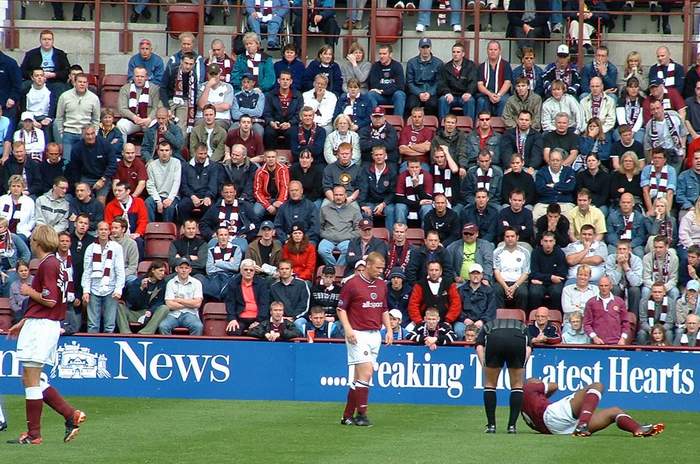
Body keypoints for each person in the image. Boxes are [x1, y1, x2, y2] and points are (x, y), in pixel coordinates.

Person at [6, 224, 86, 445]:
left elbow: (49, 300)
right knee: (30, 378)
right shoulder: (57, 264)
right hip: (42, 323)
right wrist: (24, 321)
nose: (30, 243)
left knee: (31, 380)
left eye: (32, 240)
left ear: (37, 242)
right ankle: (70, 415)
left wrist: (29, 290)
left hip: (42, 326)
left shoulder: (47, 265)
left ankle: (34, 434)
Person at [338, 252, 392, 427]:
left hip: (375, 334)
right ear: (368, 265)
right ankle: (362, 415)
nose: (380, 271)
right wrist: (348, 329)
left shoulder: (382, 285)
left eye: (382, 268)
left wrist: (389, 329)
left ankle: (347, 416)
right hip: (357, 333)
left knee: (358, 378)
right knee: (367, 373)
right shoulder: (351, 284)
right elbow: (341, 308)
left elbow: (384, 308)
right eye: (377, 267)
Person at [520, 379, 665, 437]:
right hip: (552, 416)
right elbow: (554, 385)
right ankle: (582, 425)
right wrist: (542, 387)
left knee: (614, 411)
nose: (537, 380)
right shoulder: (529, 386)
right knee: (597, 386)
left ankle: (638, 429)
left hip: (556, 430)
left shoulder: (523, 409)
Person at [475, 317, 532, 434]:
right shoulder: (522, 326)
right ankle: (512, 426)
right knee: (517, 385)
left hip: (495, 341)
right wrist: (523, 364)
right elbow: (528, 347)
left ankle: (491, 426)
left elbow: (479, 346)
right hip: (517, 341)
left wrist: (484, 365)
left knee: (490, 384)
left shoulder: (489, 325)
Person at [82, 221, 125, 334]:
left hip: (110, 288)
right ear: (97, 231)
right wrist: (86, 291)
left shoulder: (116, 248)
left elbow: (120, 270)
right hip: (94, 288)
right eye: (101, 229)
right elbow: (87, 271)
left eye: (106, 229)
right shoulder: (90, 248)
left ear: (109, 231)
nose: (103, 232)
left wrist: (118, 289)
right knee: (92, 324)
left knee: (110, 325)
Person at [54, 73, 100, 163]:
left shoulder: (94, 98)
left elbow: (96, 120)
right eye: (80, 82)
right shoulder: (64, 96)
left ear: (87, 84)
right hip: (68, 134)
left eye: (84, 82)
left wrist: (94, 134)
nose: (82, 84)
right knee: (66, 163)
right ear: (74, 82)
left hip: (86, 135)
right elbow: (59, 118)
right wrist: (61, 133)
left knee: (85, 162)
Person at [116, 260, 170, 335]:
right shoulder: (138, 281)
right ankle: (125, 333)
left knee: (165, 308)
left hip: (151, 315)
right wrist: (141, 289)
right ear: (153, 270)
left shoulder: (163, 284)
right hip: (136, 313)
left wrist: (151, 311)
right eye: (160, 270)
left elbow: (160, 302)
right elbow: (132, 302)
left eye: (164, 271)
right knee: (119, 306)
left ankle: (146, 332)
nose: (162, 274)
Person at [318, 185, 362, 266]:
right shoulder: (324, 209)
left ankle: (336, 270)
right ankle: (333, 269)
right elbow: (319, 227)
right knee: (322, 250)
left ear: (345, 195)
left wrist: (347, 236)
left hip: (346, 239)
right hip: (329, 239)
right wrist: (326, 235)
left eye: (341, 195)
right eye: (336, 195)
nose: (338, 197)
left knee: (348, 250)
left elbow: (359, 229)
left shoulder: (354, 210)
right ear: (333, 195)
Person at [224, 258, 271, 335]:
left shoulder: (262, 283)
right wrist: (232, 319)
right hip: (240, 318)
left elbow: (264, 304)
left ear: (254, 271)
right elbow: (230, 303)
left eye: (251, 270)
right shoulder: (233, 283)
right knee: (233, 331)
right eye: (246, 269)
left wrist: (259, 321)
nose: (248, 272)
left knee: (260, 332)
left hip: (258, 318)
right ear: (241, 270)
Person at [160, 258, 204, 336]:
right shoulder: (170, 283)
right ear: (176, 269)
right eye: (181, 268)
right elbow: (169, 305)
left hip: (190, 314)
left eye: (186, 268)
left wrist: (179, 300)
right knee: (163, 326)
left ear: (190, 270)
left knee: (198, 326)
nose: (184, 270)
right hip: (173, 314)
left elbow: (197, 304)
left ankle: (193, 347)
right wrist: (190, 302)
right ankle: (168, 347)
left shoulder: (197, 283)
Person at [116, 66, 159, 144]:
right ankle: (123, 152)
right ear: (133, 77)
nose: (139, 78)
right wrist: (134, 117)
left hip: (148, 120)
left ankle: (150, 153)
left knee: (155, 126)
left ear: (146, 77)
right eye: (137, 76)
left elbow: (156, 108)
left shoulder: (154, 89)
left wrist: (149, 119)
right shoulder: (125, 89)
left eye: (142, 76)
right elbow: (122, 108)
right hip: (132, 120)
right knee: (120, 125)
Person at [161, 52, 200, 135]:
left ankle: (179, 146)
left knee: (181, 128)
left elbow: (194, 94)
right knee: (165, 123)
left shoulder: (193, 76)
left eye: (191, 64)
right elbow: (163, 88)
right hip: (169, 99)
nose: (188, 66)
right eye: (186, 63)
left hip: (184, 101)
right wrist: (167, 107)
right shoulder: (171, 69)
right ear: (181, 61)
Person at [437, 42, 478, 121]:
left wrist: (469, 92)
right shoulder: (446, 67)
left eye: (458, 52)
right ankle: (442, 127)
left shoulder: (470, 65)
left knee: (470, 101)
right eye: (454, 52)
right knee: (442, 100)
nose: (455, 54)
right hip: (451, 96)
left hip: (464, 96)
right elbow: (442, 83)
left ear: (463, 54)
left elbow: (473, 81)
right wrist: (447, 93)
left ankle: (469, 128)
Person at [583, 276, 630, 345]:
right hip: (597, 344)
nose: (604, 288)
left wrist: (623, 338)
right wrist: (594, 337)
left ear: (611, 286)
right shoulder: (591, 302)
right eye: (601, 286)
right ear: (598, 287)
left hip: (617, 344)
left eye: (606, 285)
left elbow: (625, 322)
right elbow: (587, 324)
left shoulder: (619, 302)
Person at [643, 100, 686, 174]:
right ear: (651, 112)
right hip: (661, 155)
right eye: (653, 109)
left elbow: (683, 132)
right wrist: (650, 161)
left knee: (673, 176)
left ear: (662, 108)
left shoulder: (674, 116)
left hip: (676, 152)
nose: (656, 111)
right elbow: (648, 146)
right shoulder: (649, 125)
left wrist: (683, 148)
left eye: (658, 108)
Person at [263, 70, 303, 149]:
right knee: (268, 133)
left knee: (292, 133)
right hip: (274, 124)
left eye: (287, 80)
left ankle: (290, 158)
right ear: (278, 81)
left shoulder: (298, 95)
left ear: (291, 81)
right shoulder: (271, 95)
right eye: (283, 79)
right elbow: (267, 112)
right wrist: (272, 122)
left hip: (291, 125)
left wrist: (290, 123)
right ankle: (271, 157)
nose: (285, 82)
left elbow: (299, 113)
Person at [529, 232, 567, 312]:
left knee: (557, 292)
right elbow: (534, 273)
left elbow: (562, 275)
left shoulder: (559, 253)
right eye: (545, 241)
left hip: (547, 282)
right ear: (541, 242)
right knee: (535, 292)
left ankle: (555, 318)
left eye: (550, 241)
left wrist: (543, 279)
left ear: (554, 242)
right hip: (541, 283)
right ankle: (534, 317)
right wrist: (551, 277)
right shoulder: (535, 252)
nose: (548, 244)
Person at [493, 227, 530, 309]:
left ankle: (520, 319)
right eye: (507, 236)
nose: (510, 239)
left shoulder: (525, 252)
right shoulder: (497, 252)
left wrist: (514, 286)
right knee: (496, 291)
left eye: (512, 236)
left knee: (523, 293)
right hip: (502, 282)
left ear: (517, 237)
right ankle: (499, 319)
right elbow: (497, 271)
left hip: (519, 282)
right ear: (504, 238)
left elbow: (526, 272)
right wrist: (506, 287)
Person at [270, 259, 311, 332]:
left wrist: (293, 317)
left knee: (298, 324)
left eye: (287, 268)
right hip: (279, 318)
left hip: (299, 318)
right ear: (278, 271)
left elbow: (305, 305)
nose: (284, 271)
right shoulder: (274, 287)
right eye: (282, 269)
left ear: (292, 270)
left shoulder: (302, 284)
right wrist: (281, 318)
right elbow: (271, 305)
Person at [405, 38, 442, 116]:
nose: (425, 50)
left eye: (427, 47)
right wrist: (419, 93)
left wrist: (430, 93)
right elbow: (409, 82)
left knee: (433, 105)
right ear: (419, 48)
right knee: (411, 105)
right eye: (423, 47)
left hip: (431, 93)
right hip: (416, 92)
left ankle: (431, 126)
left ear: (431, 48)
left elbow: (438, 82)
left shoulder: (438, 63)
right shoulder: (411, 63)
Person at [145, 141, 181, 223]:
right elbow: (150, 185)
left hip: (172, 196)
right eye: (161, 150)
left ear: (171, 152)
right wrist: (158, 201)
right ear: (158, 152)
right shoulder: (152, 165)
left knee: (169, 207)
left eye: (166, 150)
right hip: (157, 195)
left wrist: (170, 199)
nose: (164, 153)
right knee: (148, 202)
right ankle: (150, 230)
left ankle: (167, 232)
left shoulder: (176, 163)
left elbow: (176, 182)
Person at [367, 45, 406, 117]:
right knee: (370, 94)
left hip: (393, 96)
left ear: (390, 54)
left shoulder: (397, 66)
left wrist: (383, 91)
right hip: (380, 96)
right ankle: (374, 120)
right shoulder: (375, 66)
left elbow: (400, 86)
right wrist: (390, 87)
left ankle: (397, 122)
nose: (381, 56)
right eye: (380, 54)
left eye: (384, 54)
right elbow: (374, 85)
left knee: (400, 94)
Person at [476, 41, 512, 116]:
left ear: (499, 51)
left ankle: (500, 127)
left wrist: (498, 95)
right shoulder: (482, 66)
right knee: (481, 101)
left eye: (495, 50)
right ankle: (481, 125)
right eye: (491, 49)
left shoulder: (506, 65)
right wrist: (490, 94)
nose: (493, 52)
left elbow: (507, 83)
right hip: (486, 94)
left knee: (504, 101)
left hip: (502, 94)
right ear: (487, 51)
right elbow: (480, 85)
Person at [458, 262, 497, 331]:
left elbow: (491, 310)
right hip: (464, 322)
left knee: (486, 331)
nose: (475, 276)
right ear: (469, 275)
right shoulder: (460, 290)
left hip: (483, 322)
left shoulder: (489, 291)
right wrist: (464, 319)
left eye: (478, 273)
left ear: (482, 275)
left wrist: (482, 321)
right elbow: (457, 308)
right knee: (459, 330)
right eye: (473, 273)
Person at [197, 64, 234, 130]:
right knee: (199, 127)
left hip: (221, 118)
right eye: (211, 74)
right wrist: (208, 86)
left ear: (220, 73)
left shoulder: (228, 87)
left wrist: (207, 106)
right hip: (202, 118)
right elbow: (201, 105)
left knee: (215, 127)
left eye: (216, 74)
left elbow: (225, 106)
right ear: (207, 74)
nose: (213, 77)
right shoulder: (201, 87)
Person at [254, 149, 290, 218]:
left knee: (285, 211)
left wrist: (280, 201)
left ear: (276, 158)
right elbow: (257, 192)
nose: (271, 159)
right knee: (256, 212)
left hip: (279, 198)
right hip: (265, 199)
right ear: (264, 159)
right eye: (268, 157)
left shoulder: (283, 169)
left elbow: (285, 187)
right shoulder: (259, 171)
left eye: (273, 157)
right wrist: (268, 206)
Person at [0, 175, 35, 241]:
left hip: (22, 232)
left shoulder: (29, 201)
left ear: (23, 188)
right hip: (3, 231)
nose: (16, 188)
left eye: (18, 186)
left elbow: (33, 219)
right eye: (13, 186)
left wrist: (27, 228)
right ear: (9, 187)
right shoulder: (2, 199)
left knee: (17, 240)